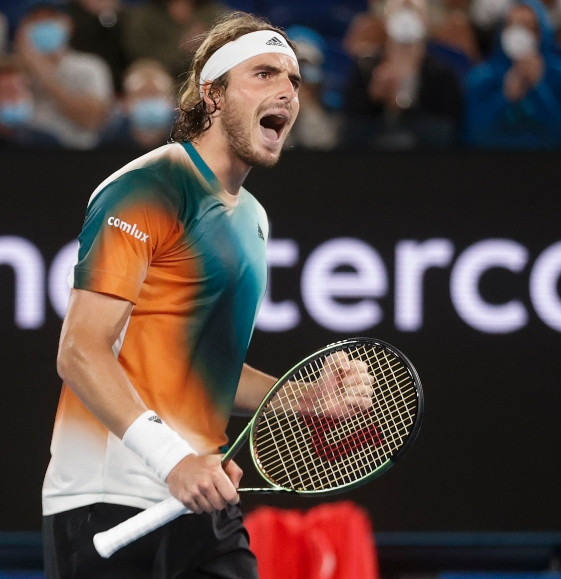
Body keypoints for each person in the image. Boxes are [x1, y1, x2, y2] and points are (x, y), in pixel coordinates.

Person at [41, 10, 374, 578]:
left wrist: (305, 397)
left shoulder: (254, 220)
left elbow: (202, 371)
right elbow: (79, 351)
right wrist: (174, 461)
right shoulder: (148, 186)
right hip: (105, 503)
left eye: (293, 80)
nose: (287, 92)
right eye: (264, 74)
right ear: (212, 94)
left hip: (203, 501)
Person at [462, 0, 561, 149]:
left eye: (527, 26)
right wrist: (505, 97)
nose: (517, 33)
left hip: (549, 159)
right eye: (510, 25)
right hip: (494, 158)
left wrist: (538, 86)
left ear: (541, 33)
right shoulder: (480, 77)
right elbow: (473, 134)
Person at [341, 0, 464, 149]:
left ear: (427, 23)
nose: (406, 18)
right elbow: (349, 137)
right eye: (400, 11)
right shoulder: (364, 69)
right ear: (385, 20)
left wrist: (405, 107)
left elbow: (445, 137)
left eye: (414, 12)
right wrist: (372, 101)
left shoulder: (443, 76)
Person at [11, 0, 114, 149]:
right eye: (36, 19)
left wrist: (42, 71)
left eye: (50, 18)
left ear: (68, 24)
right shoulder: (9, 69)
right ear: (22, 28)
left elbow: (92, 121)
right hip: (19, 153)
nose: (43, 24)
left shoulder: (90, 67)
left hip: (74, 154)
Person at [100, 57, 177, 150]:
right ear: (125, 101)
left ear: (171, 101)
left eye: (155, 93)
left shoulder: (188, 138)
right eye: (142, 94)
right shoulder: (108, 137)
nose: (149, 100)